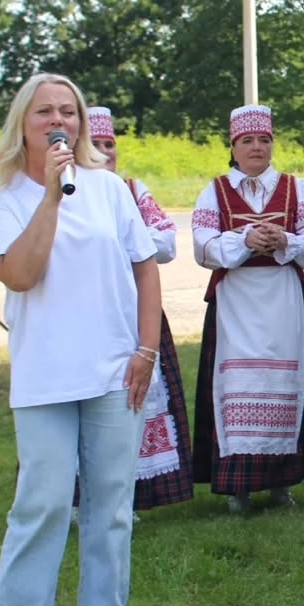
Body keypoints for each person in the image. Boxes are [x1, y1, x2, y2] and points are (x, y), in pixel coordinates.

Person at [0, 74, 160, 606]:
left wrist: (146, 350)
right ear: (22, 123)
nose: (59, 121)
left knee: (111, 506)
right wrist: (52, 198)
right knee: (43, 502)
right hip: (45, 376)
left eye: (69, 111)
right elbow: (20, 274)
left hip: (114, 370)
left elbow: (145, 267)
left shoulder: (108, 188)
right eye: (45, 112)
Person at [192, 104, 304, 512]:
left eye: (264, 139)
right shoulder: (215, 190)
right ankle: (237, 484)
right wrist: (245, 240)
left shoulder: (298, 188)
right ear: (233, 147)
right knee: (236, 384)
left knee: (284, 382)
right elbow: (202, 247)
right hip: (236, 301)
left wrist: (286, 240)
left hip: (282, 299)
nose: (256, 147)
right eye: (247, 140)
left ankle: (281, 480)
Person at [76, 106, 193, 514]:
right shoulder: (65, 189)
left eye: (110, 144)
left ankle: (129, 496)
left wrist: (122, 242)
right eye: (96, 144)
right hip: (83, 312)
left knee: (132, 395)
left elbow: (167, 242)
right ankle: (76, 498)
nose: (105, 152)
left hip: (134, 307)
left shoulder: (132, 189)